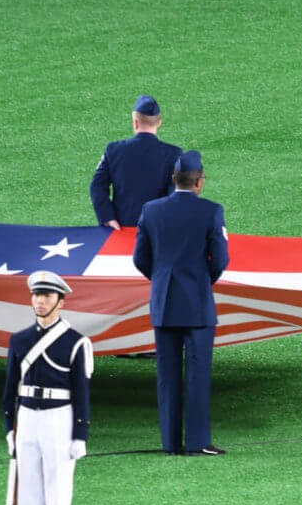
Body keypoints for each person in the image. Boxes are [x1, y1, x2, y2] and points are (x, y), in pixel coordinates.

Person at [132, 151, 229, 456]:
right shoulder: (211, 211)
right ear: (199, 182)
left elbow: (140, 259)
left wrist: (161, 279)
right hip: (198, 304)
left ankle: (171, 443)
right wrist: (201, 280)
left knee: (167, 377)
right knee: (198, 375)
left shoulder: (151, 210)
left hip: (164, 303)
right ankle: (198, 442)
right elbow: (221, 260)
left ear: (173, 180)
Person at [2, 271, 91, 505]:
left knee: (58, 491)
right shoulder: (18, 340)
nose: (40, 301)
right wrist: (9, 427)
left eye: (47, 295)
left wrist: (80, 435)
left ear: (60, 302)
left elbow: (82, 393)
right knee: (27, 491)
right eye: (36, 295)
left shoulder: (76, 342)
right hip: (27, 417)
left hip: (58, 418)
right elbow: (10, 388)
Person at [89, 94, 181, 230]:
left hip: (121, 229)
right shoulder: (174, 154)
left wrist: (107, 217)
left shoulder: (114, 150)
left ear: (135, 122)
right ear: (159, 123)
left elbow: (97, 186)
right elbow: (176, 193)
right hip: (157, 230)